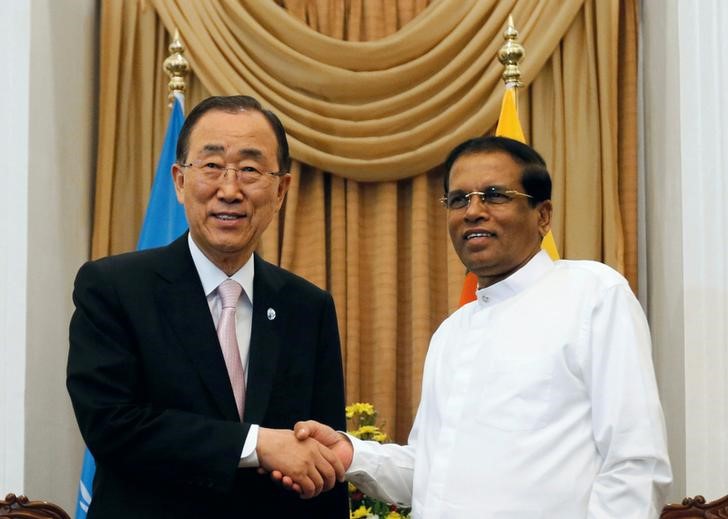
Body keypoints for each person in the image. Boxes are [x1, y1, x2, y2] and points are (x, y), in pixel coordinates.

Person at [288, 136, 673, 517]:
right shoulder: (451, 333)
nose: (472, 211)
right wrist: (352, 453)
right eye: (459, 199)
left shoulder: (592, 293)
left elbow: (635, 463)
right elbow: (428, 472)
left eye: (494, 195)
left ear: (543, 216)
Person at [66, 95, 349, 518]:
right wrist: (257, 445)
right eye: (212, 166)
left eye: (251, 170)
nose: (230, 190)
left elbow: (320, 458)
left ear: (281, 190)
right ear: (179, 181)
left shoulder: (308, 307)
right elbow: (111, 425)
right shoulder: (114, 288)